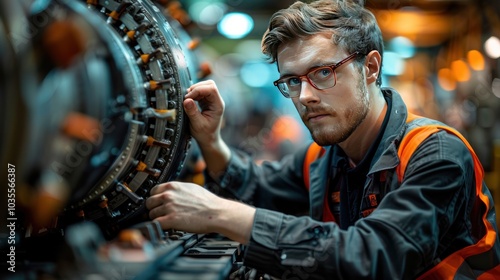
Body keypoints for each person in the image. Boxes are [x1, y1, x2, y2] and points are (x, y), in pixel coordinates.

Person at [146, 0, 500, 278]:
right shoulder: (325, 157)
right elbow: (258, 189)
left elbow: (375, 258)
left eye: (322, 73)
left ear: (371, 68)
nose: (304, 97)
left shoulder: (435, 154)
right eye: (293, 81)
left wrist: (219, 213)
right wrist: (212, 141)